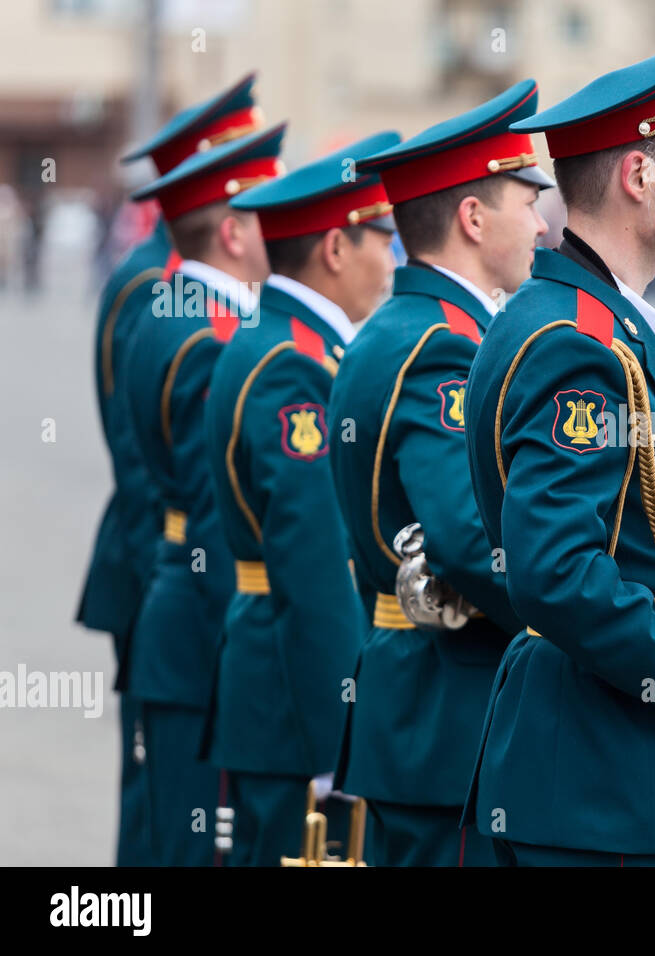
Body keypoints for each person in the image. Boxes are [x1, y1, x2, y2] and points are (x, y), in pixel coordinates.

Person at [459, 25, 655, 867]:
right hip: (592, 792)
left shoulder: (594, 327)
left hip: (602, 780)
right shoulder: (577, 344)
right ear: (640, 175)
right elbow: (557, 576)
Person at [327, 81, 552, 866]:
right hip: (447, 713)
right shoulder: (444, 347)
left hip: (419, 709)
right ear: (472, 217)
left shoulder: (405, 327)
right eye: (526, 201)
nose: (540, 222)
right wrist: (582, 623)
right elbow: (466, 541)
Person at [78, 72, 262, 866]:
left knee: (181, 810)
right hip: (166, 567)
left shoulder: (193, 288)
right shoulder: (155, 291)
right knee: (164, 810)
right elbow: (144, 456)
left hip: (180, 577)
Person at [202, 132, 400, 866]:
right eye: (380, 235)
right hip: (295, 698)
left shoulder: (288, 344)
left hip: (274, 680)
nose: (391, 256)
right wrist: (339, 737)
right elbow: (313, 564)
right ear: (335, 248)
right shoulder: (295, 366)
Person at [120, 123, 286, 865]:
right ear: (231, 231)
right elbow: (218, 522)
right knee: (193, 850)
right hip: (205, 640)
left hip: (180, 626)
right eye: (266, 210)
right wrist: (252, 654)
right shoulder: (210, 338)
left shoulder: (175, 310)